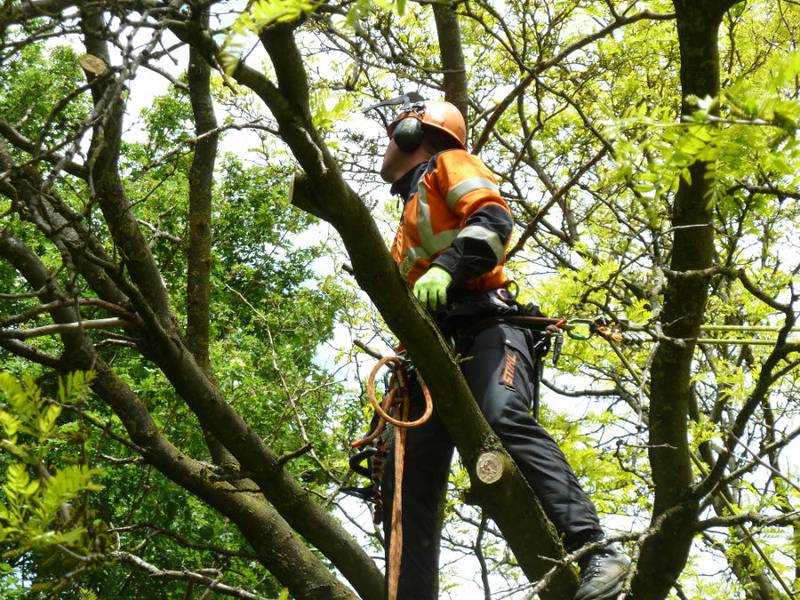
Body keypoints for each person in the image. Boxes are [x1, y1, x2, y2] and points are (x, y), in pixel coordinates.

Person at [371, 95, 630, 600]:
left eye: (392, 134)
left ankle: (597, 550)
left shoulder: (449, 164)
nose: (386, 146)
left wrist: (449, 267)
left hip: (490, 327)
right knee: (408, 483)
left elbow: (492, 221)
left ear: (411, 134)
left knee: (502, 414)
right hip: (432, 358)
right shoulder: (404, 224)